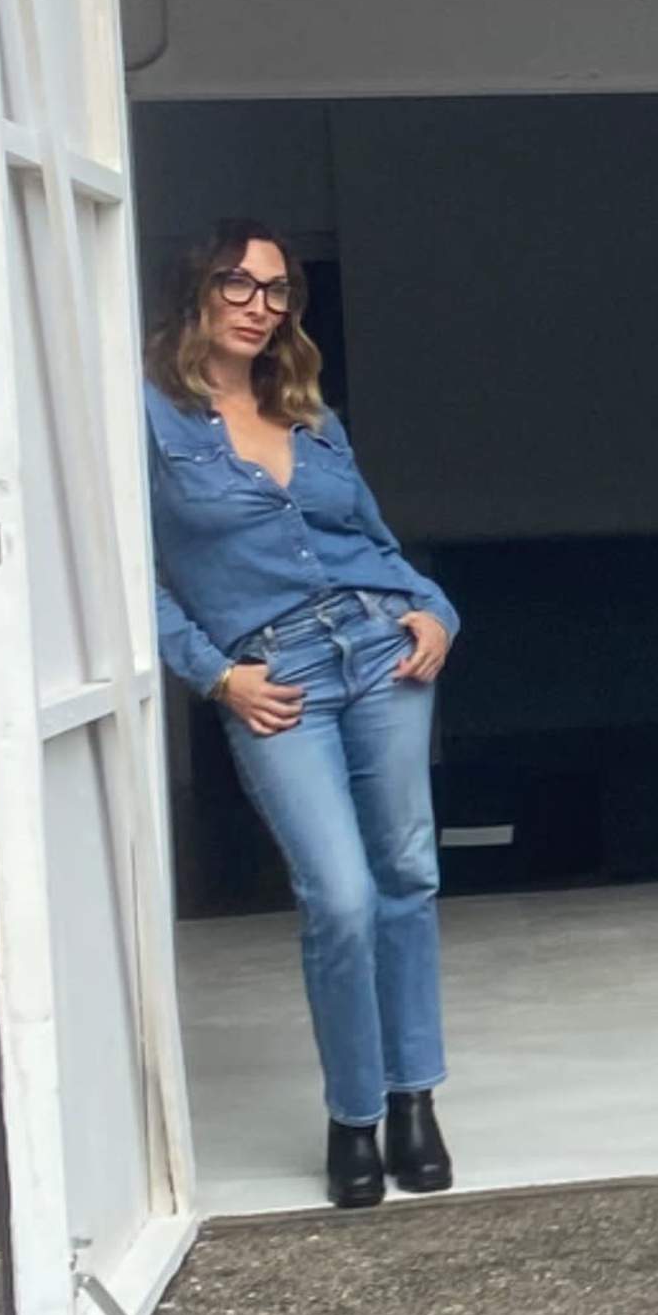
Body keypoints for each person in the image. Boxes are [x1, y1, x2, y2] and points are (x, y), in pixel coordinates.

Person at [141, 225, 461, 1208]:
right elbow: (130, 573)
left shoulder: (310, 411)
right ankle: (354, 1113)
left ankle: (417, 1102)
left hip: (382, 649)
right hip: (275, 674)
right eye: (237, 281)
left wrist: (436, 607)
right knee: (340, 894)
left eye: (275, 290)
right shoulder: (150, 419)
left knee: (406, 872)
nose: (256, 302)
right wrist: (214, 674)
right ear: (196, 290)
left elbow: (374, 537)